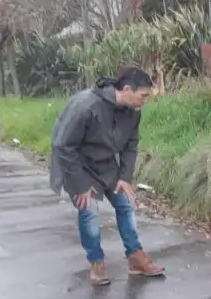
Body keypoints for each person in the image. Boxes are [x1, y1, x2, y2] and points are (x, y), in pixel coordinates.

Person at [49, 68, 165, 286]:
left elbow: (131, 145)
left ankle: (135, 258)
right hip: (78, 166)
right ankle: (96, 261)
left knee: (125, 203)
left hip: (106, 166)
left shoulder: (133, 111)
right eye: (144, 95)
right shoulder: (86, 106)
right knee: (89, 209)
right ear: (127, 89)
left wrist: (125, 177)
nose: (145, 101)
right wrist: (81, 185)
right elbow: (62, 146)